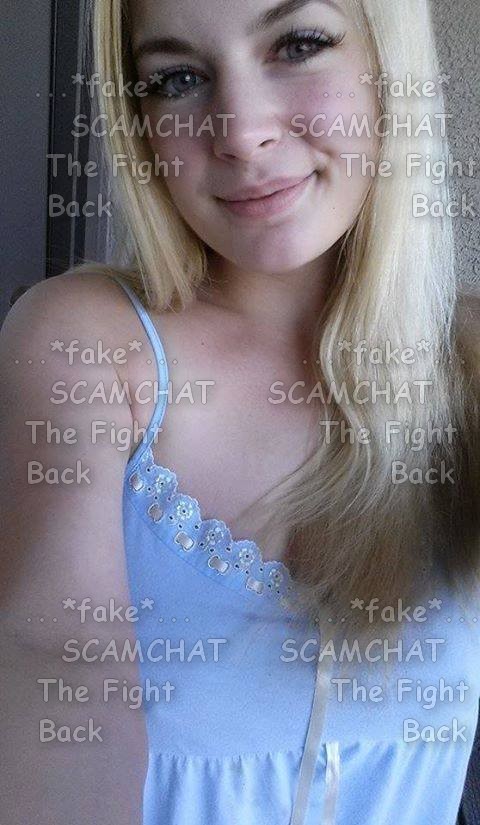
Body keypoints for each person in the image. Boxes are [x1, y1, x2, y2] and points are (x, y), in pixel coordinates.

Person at [1, 0, 479, 823]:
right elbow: (58, 670)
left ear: (387, 64)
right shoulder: (86, 345)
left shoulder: (467, 356)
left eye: (298, 44)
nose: (241, 132)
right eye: (176, 79)